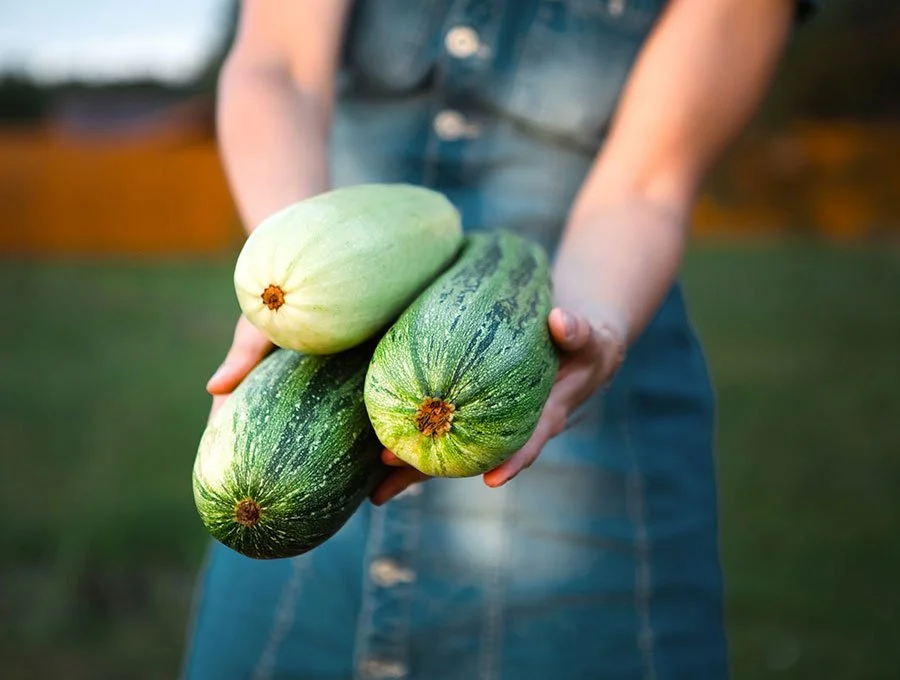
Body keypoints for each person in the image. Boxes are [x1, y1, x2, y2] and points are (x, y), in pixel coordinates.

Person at [181, 1, 814, 678]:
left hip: (584, 406)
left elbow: (651, 180)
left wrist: (596, 314)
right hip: (312, 399)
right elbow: (277, 68)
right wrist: (304, 263)